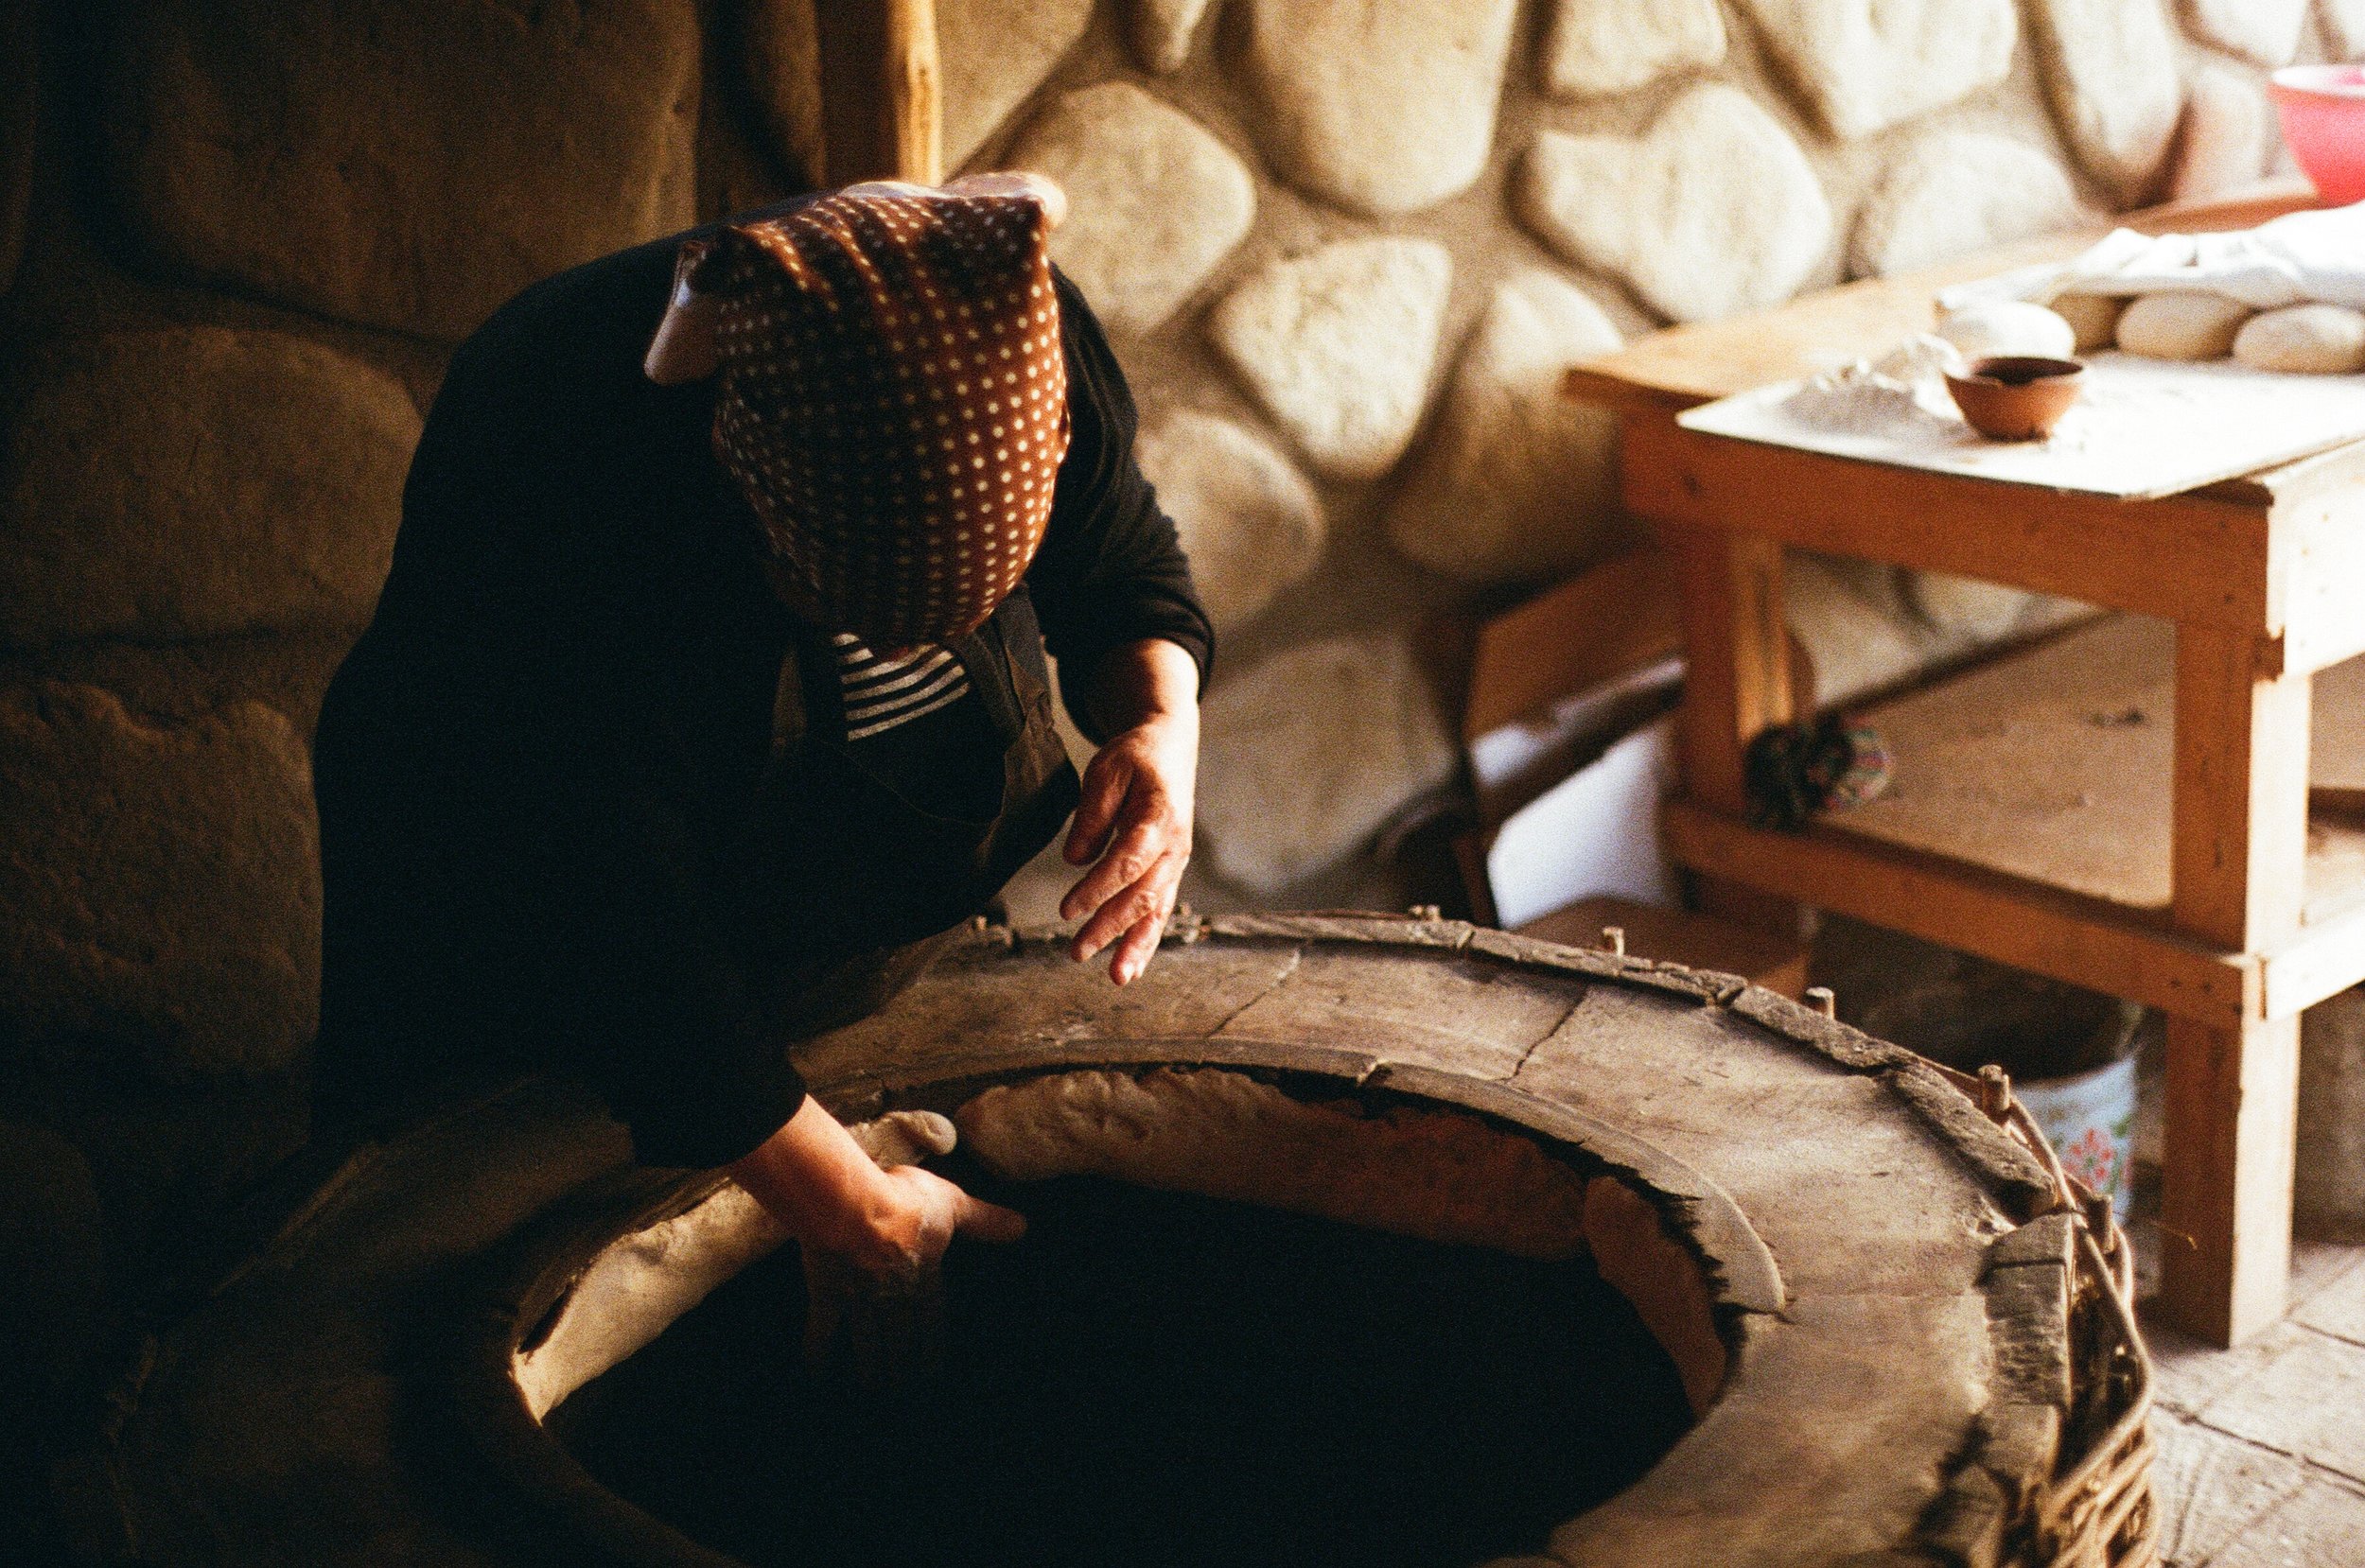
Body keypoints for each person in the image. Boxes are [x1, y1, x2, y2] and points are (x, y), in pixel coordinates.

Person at [310, 174, 1211, 1298]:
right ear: (749, 492)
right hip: (509, 928)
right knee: (452, 1272)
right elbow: (615, 911)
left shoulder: (1006, 316)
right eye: (865, 617)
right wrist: (858, 1205)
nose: (909, 649)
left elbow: (1120, 560)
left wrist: (1158, 725)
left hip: (782, 904)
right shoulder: (567, 459)